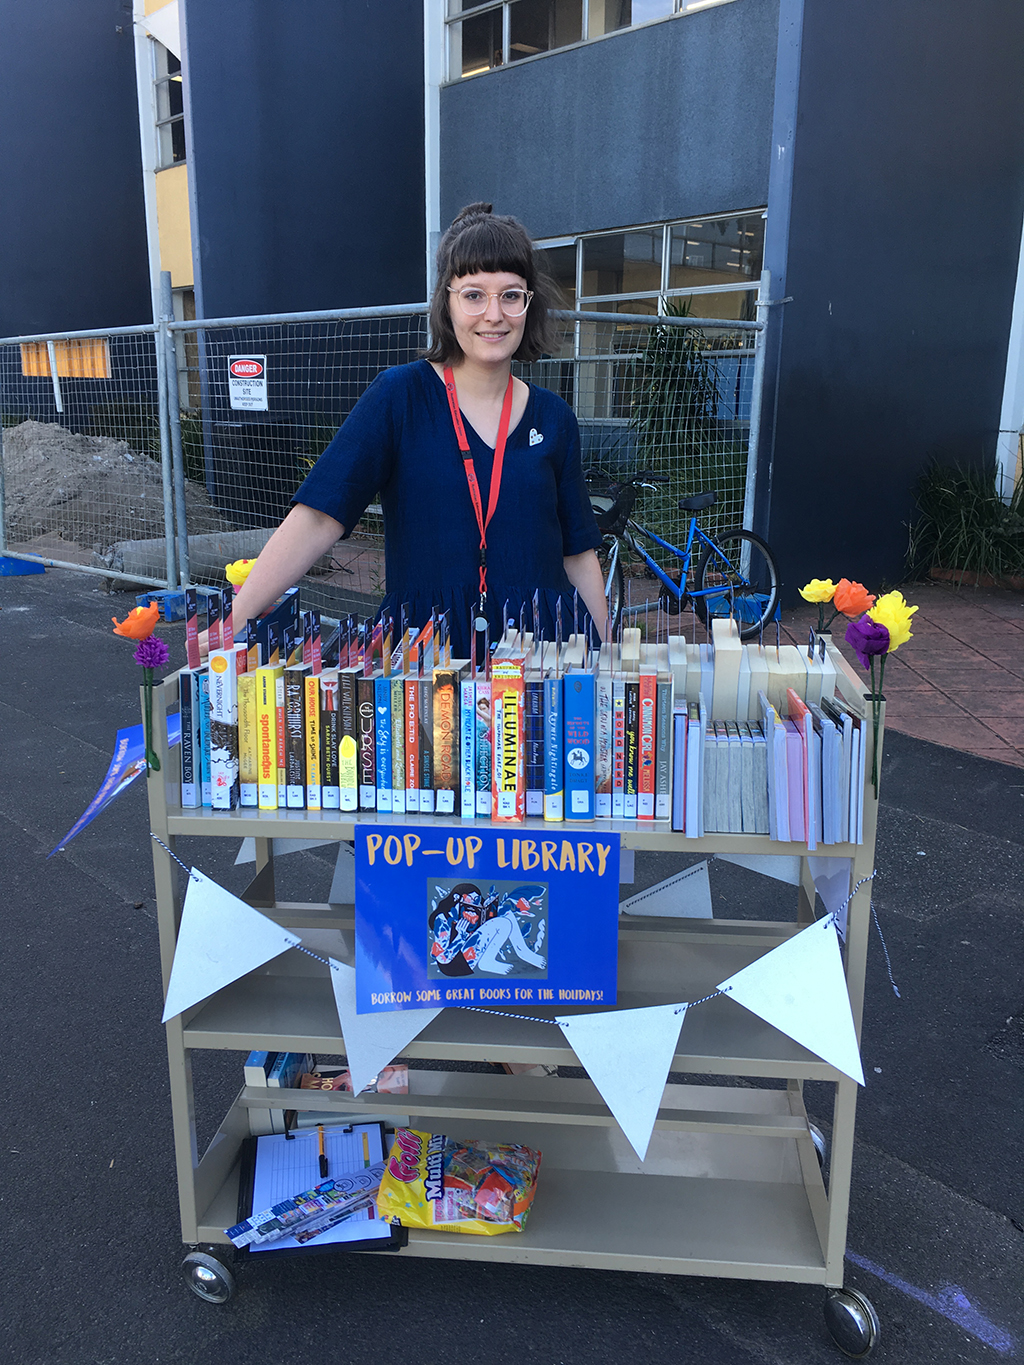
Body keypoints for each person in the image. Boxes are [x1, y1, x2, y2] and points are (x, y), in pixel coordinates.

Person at [222, 203, 607, 657]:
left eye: (511, 294)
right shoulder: (399, 397)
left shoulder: (554, 418)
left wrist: (607, 661)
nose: (494, 314)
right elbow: (320, 516)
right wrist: (232, 626)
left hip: (540, 654)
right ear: (447, 300)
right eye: (473, 294)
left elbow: (578, 554)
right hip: (427, 655)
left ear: (528, 304)